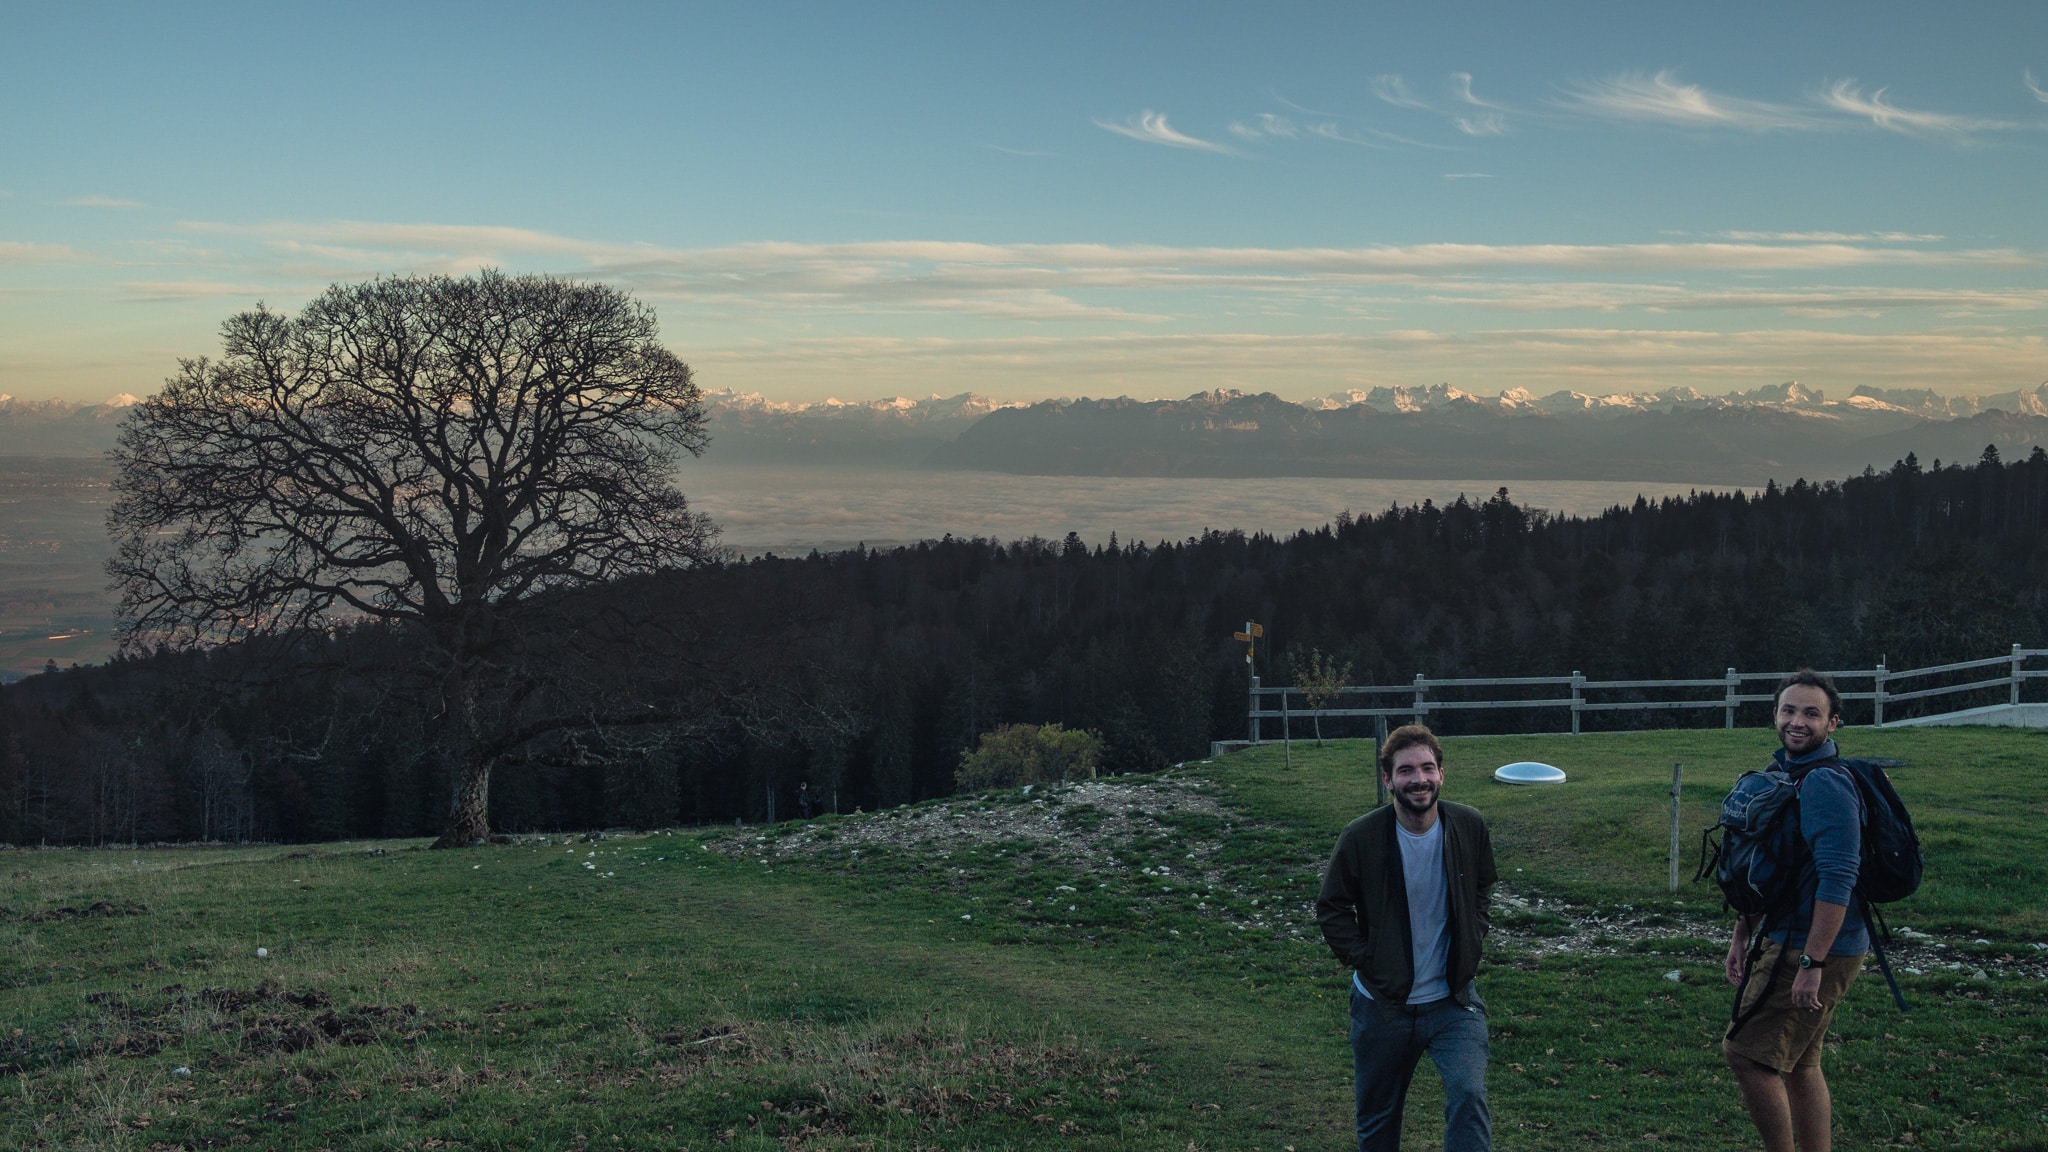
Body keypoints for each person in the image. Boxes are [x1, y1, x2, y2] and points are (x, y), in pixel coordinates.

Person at [1316, 724, 1498, 1152]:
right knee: (1378, 1124)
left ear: (1441, 773)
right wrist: (1369, 959)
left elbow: (1483, 886)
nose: (1419, 779)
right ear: (1387, 779)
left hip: (1453, 1001)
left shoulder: (1467, 825)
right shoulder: (1361, 837)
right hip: (1383, 1006)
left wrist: (1474, 935)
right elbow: (1332, 908)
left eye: (1427, 768)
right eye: (1406, 770)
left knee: (1469, 1096)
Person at [1723, 669, 1868, 1152]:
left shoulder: (1826, 783)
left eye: (1811, 713)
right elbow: (1771, 869)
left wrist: (1812, 962)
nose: (1797, 722)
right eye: (1789, 710)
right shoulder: (1787, 775)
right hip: (1799, 939)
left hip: (1811, 945)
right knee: (1802, 1062)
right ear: (1775, 715)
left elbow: (1838, 878)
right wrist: (1742, 933)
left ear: (1834, 723)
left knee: (1746, 1055)